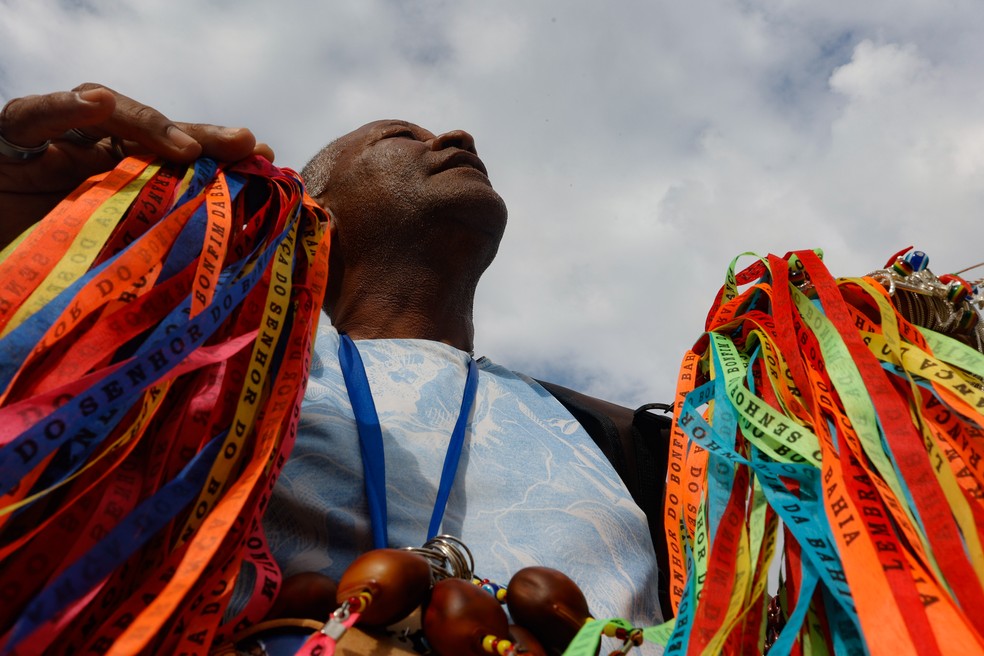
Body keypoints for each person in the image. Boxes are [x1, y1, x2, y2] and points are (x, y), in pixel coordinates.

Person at [0, 85, 669, 636]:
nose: (458, 137)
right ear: (314, 204)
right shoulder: (209, 352)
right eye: (398, 134)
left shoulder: (600, 428)